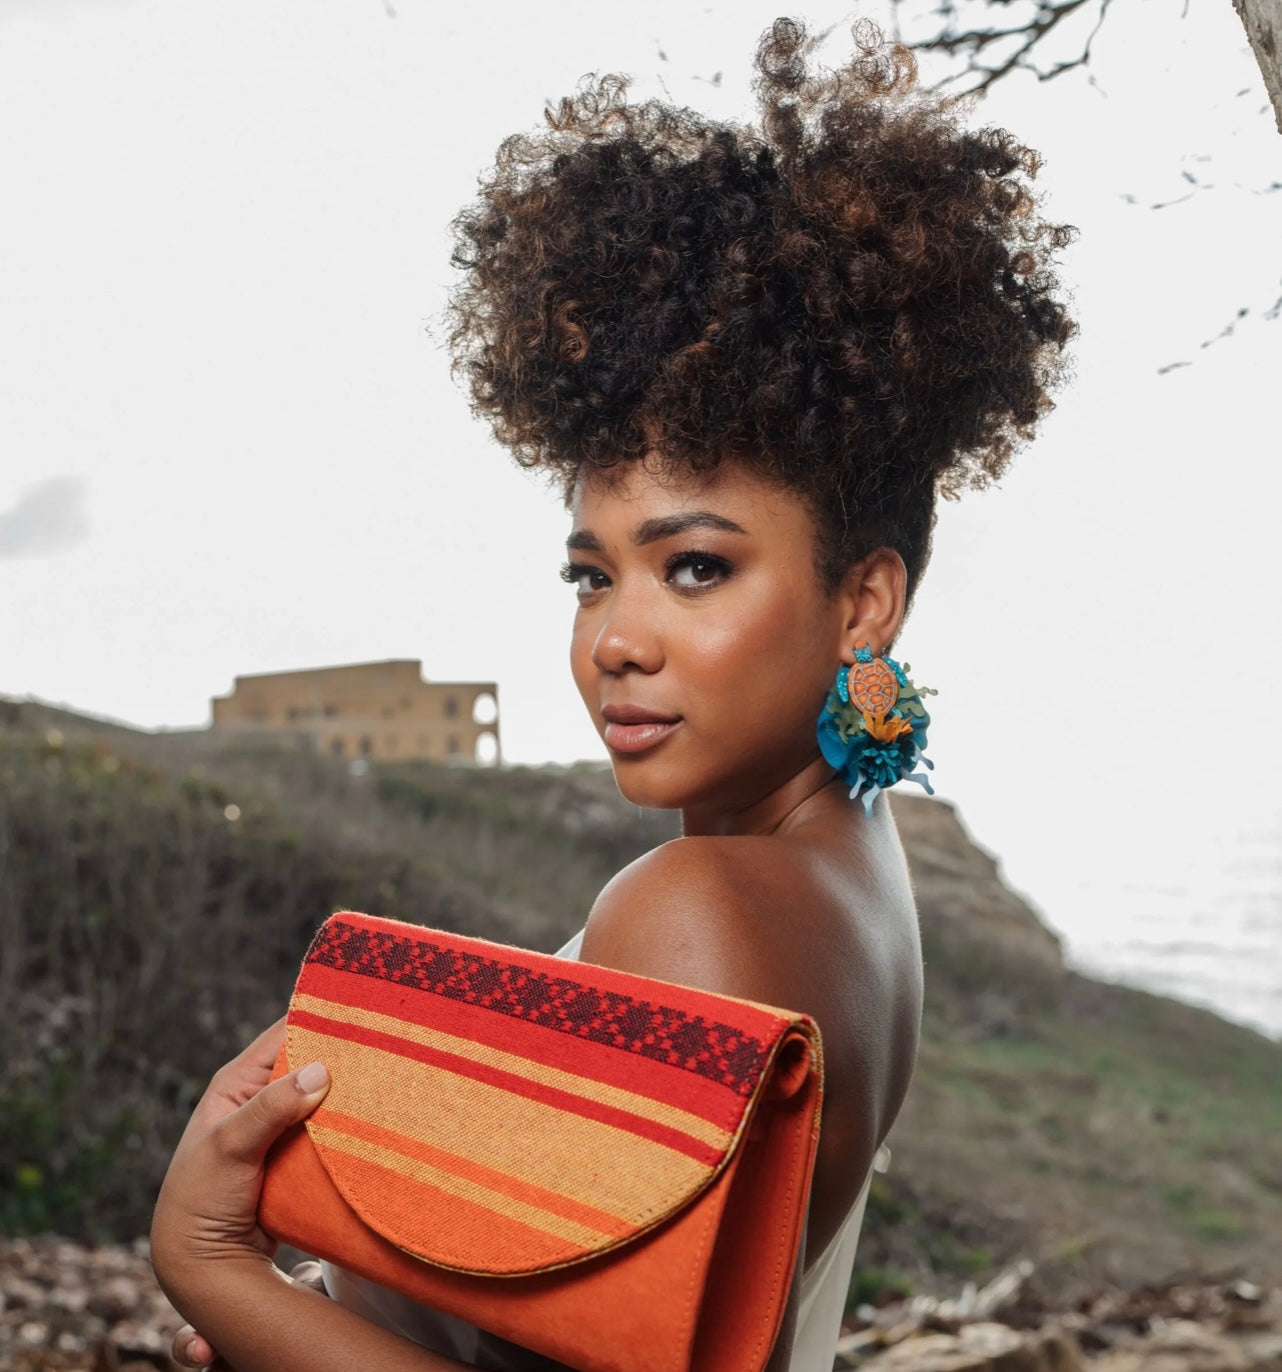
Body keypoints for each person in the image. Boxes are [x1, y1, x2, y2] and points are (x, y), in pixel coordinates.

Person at [150, 17, 1075, 1372]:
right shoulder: (850, 876)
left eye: (696, 567)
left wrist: (214, 1266)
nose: (615, 642)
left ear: (863, 602)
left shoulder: (696, 908)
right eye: (592, 576)